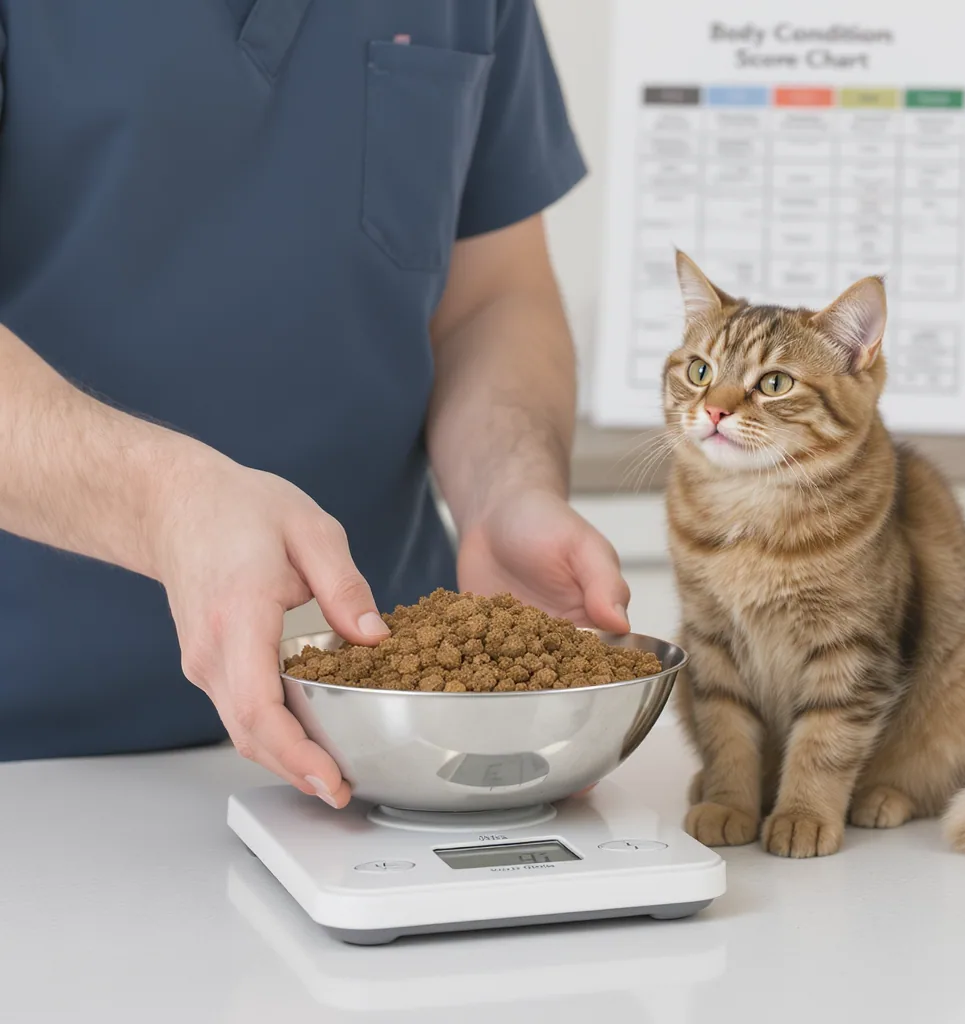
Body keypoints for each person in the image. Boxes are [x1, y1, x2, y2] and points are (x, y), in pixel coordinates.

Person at [0, 1, 631, 808]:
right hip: (27, 762)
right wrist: (169, 501)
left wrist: (505, 490)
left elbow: (492, 297)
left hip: (387, 745)